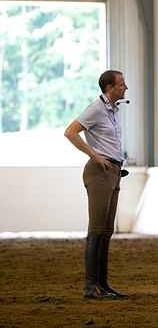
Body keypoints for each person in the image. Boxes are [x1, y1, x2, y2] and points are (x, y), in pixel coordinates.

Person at [64, 70, 128, 299]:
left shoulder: (112, 110)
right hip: (100, 171)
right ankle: (91, 286)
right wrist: (94, 156)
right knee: (97, 229)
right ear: (109, 88)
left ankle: (102, 284)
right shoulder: (96, 109)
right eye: (122, 84)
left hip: (113, 171)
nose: (125, 88)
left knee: (106, 231)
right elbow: (70, 132)